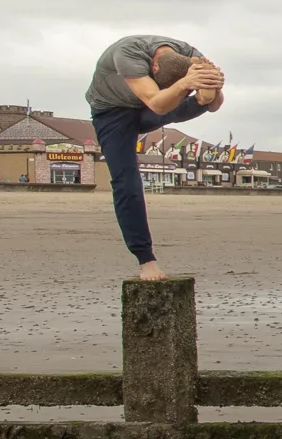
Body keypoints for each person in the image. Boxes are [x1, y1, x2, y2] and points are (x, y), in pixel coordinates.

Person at [86, 36, 226, 280]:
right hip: (112, 114)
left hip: (151, 108)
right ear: (154, 68)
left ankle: (197, 92)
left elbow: (213, 106)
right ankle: (145, 260)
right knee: (126, 182)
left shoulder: (190, 54)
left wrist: (214, 87)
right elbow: (157, 104)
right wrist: (183, 87)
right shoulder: (128, 54)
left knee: (205, 98)